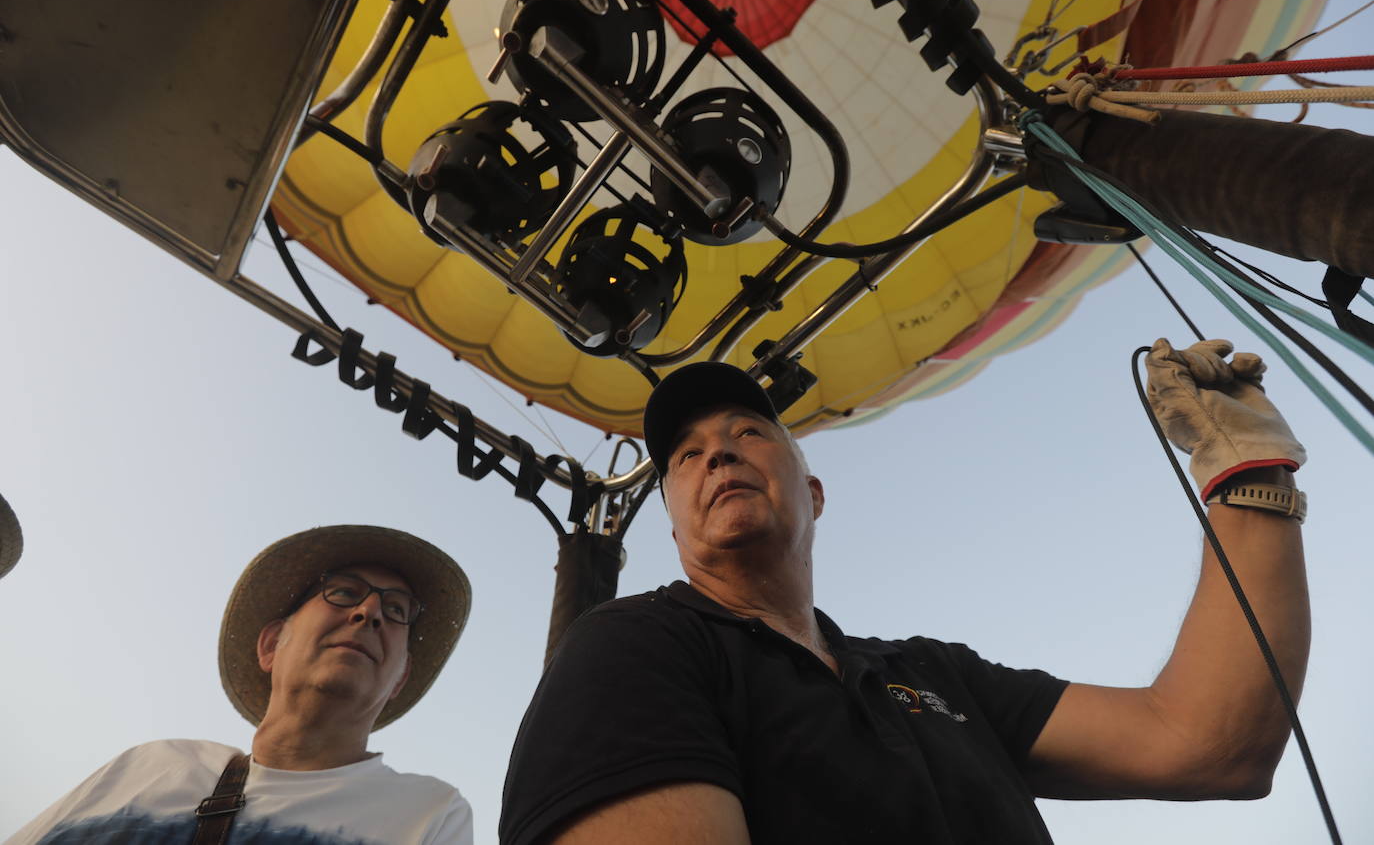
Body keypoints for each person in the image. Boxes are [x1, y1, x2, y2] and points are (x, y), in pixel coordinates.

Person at [500, 338, 1311, 844]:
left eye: (749, 433)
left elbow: (1207, 741)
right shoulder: (635, 646)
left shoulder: (930, 675)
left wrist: (1250, 481)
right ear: (674, 531)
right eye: (687, 455)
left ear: (814, 495)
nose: (718, 454)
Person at [9, 524, 476, 844]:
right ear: (272, 644)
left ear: (400, 679)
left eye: (396, 610)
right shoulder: (151, 766)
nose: (369, 612)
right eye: (345, 592)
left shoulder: (429, 814)